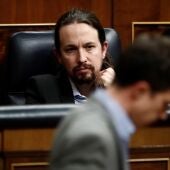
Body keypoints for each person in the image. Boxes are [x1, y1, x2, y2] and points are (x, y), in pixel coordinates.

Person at [49, 33, 170, 170]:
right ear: (140, 91)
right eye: (164, 104)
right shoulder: (92, 137)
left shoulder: (102, 121)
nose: (163, 115)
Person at [25, 8, 115, 104]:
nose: (81, 59)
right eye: (71, 49)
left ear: (103, 49)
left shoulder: (124, 89)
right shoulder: (42, 89)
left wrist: (115, 94)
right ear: (59, 56)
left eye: (89, 47)